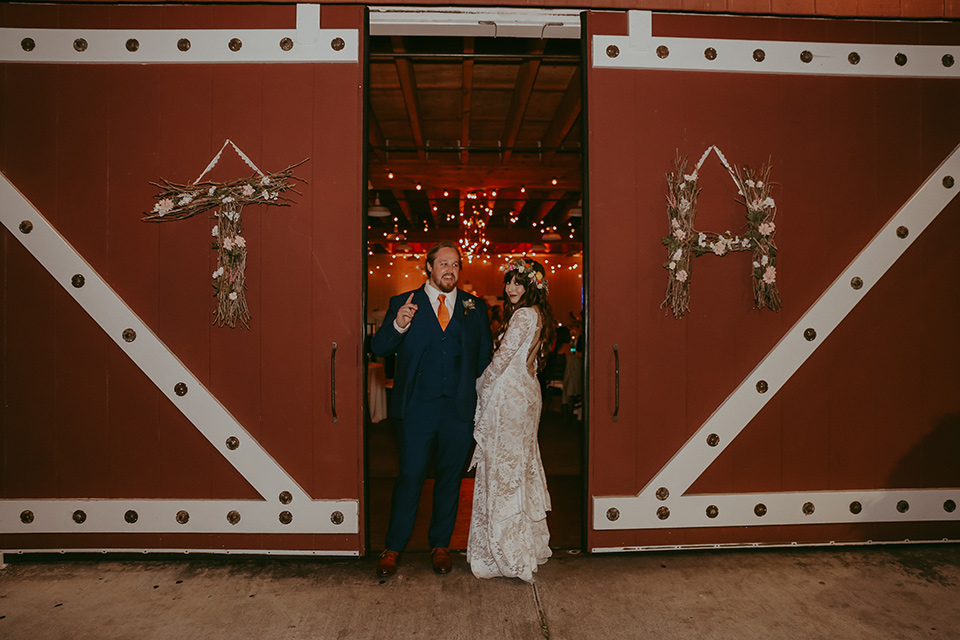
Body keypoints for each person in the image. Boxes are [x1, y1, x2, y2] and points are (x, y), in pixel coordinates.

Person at [370, 241, 492, 578]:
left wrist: (485, 405)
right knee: (410, 477)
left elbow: (484, 361)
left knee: (450, 480)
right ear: (429, 267)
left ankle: (440, 545)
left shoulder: (475, 308)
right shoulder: (403, 303)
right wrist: (398, 325)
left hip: (458, 409)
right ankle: (393, 546)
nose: (450, 269)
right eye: (443, 263)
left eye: (455, 264)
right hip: (416, 410)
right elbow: (378, 347)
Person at [467, 257, 556, 583]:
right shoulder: (541, 315)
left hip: (510, 398)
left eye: (519, 282)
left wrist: (480, 385)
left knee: (504, 470)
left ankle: (507, 551)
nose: (511, 288)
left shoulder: (522, 316)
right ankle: (525, 543)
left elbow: (502, 359)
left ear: (532, 285)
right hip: (529, 393)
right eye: (509, 282)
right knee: (521, 466)